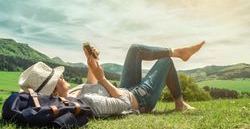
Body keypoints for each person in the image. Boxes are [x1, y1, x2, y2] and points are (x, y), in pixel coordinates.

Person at [19, 41, 205, 117]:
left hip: (125, 88)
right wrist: (104, 79)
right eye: (58, 78)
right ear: (53, 91)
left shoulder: (71, 94)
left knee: (134, 49)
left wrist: (91, 63)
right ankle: (179, 103)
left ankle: (177, 52)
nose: (62, 76)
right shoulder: (83, 102)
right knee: (165, 62)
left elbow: (90, 85)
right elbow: (123, 103)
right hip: (138, 99)